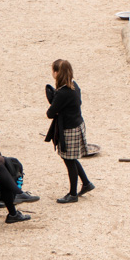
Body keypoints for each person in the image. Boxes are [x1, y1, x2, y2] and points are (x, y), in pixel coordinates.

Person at [45, 59, 93, 203]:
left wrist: (53, 100)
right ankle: (86, 183)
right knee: (71, 158)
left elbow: (50, 113)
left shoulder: (62, 93)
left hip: (69, 129)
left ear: (57, 72)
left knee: (69, 160)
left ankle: (73, 194)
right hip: (78, 124)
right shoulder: (74, 86)